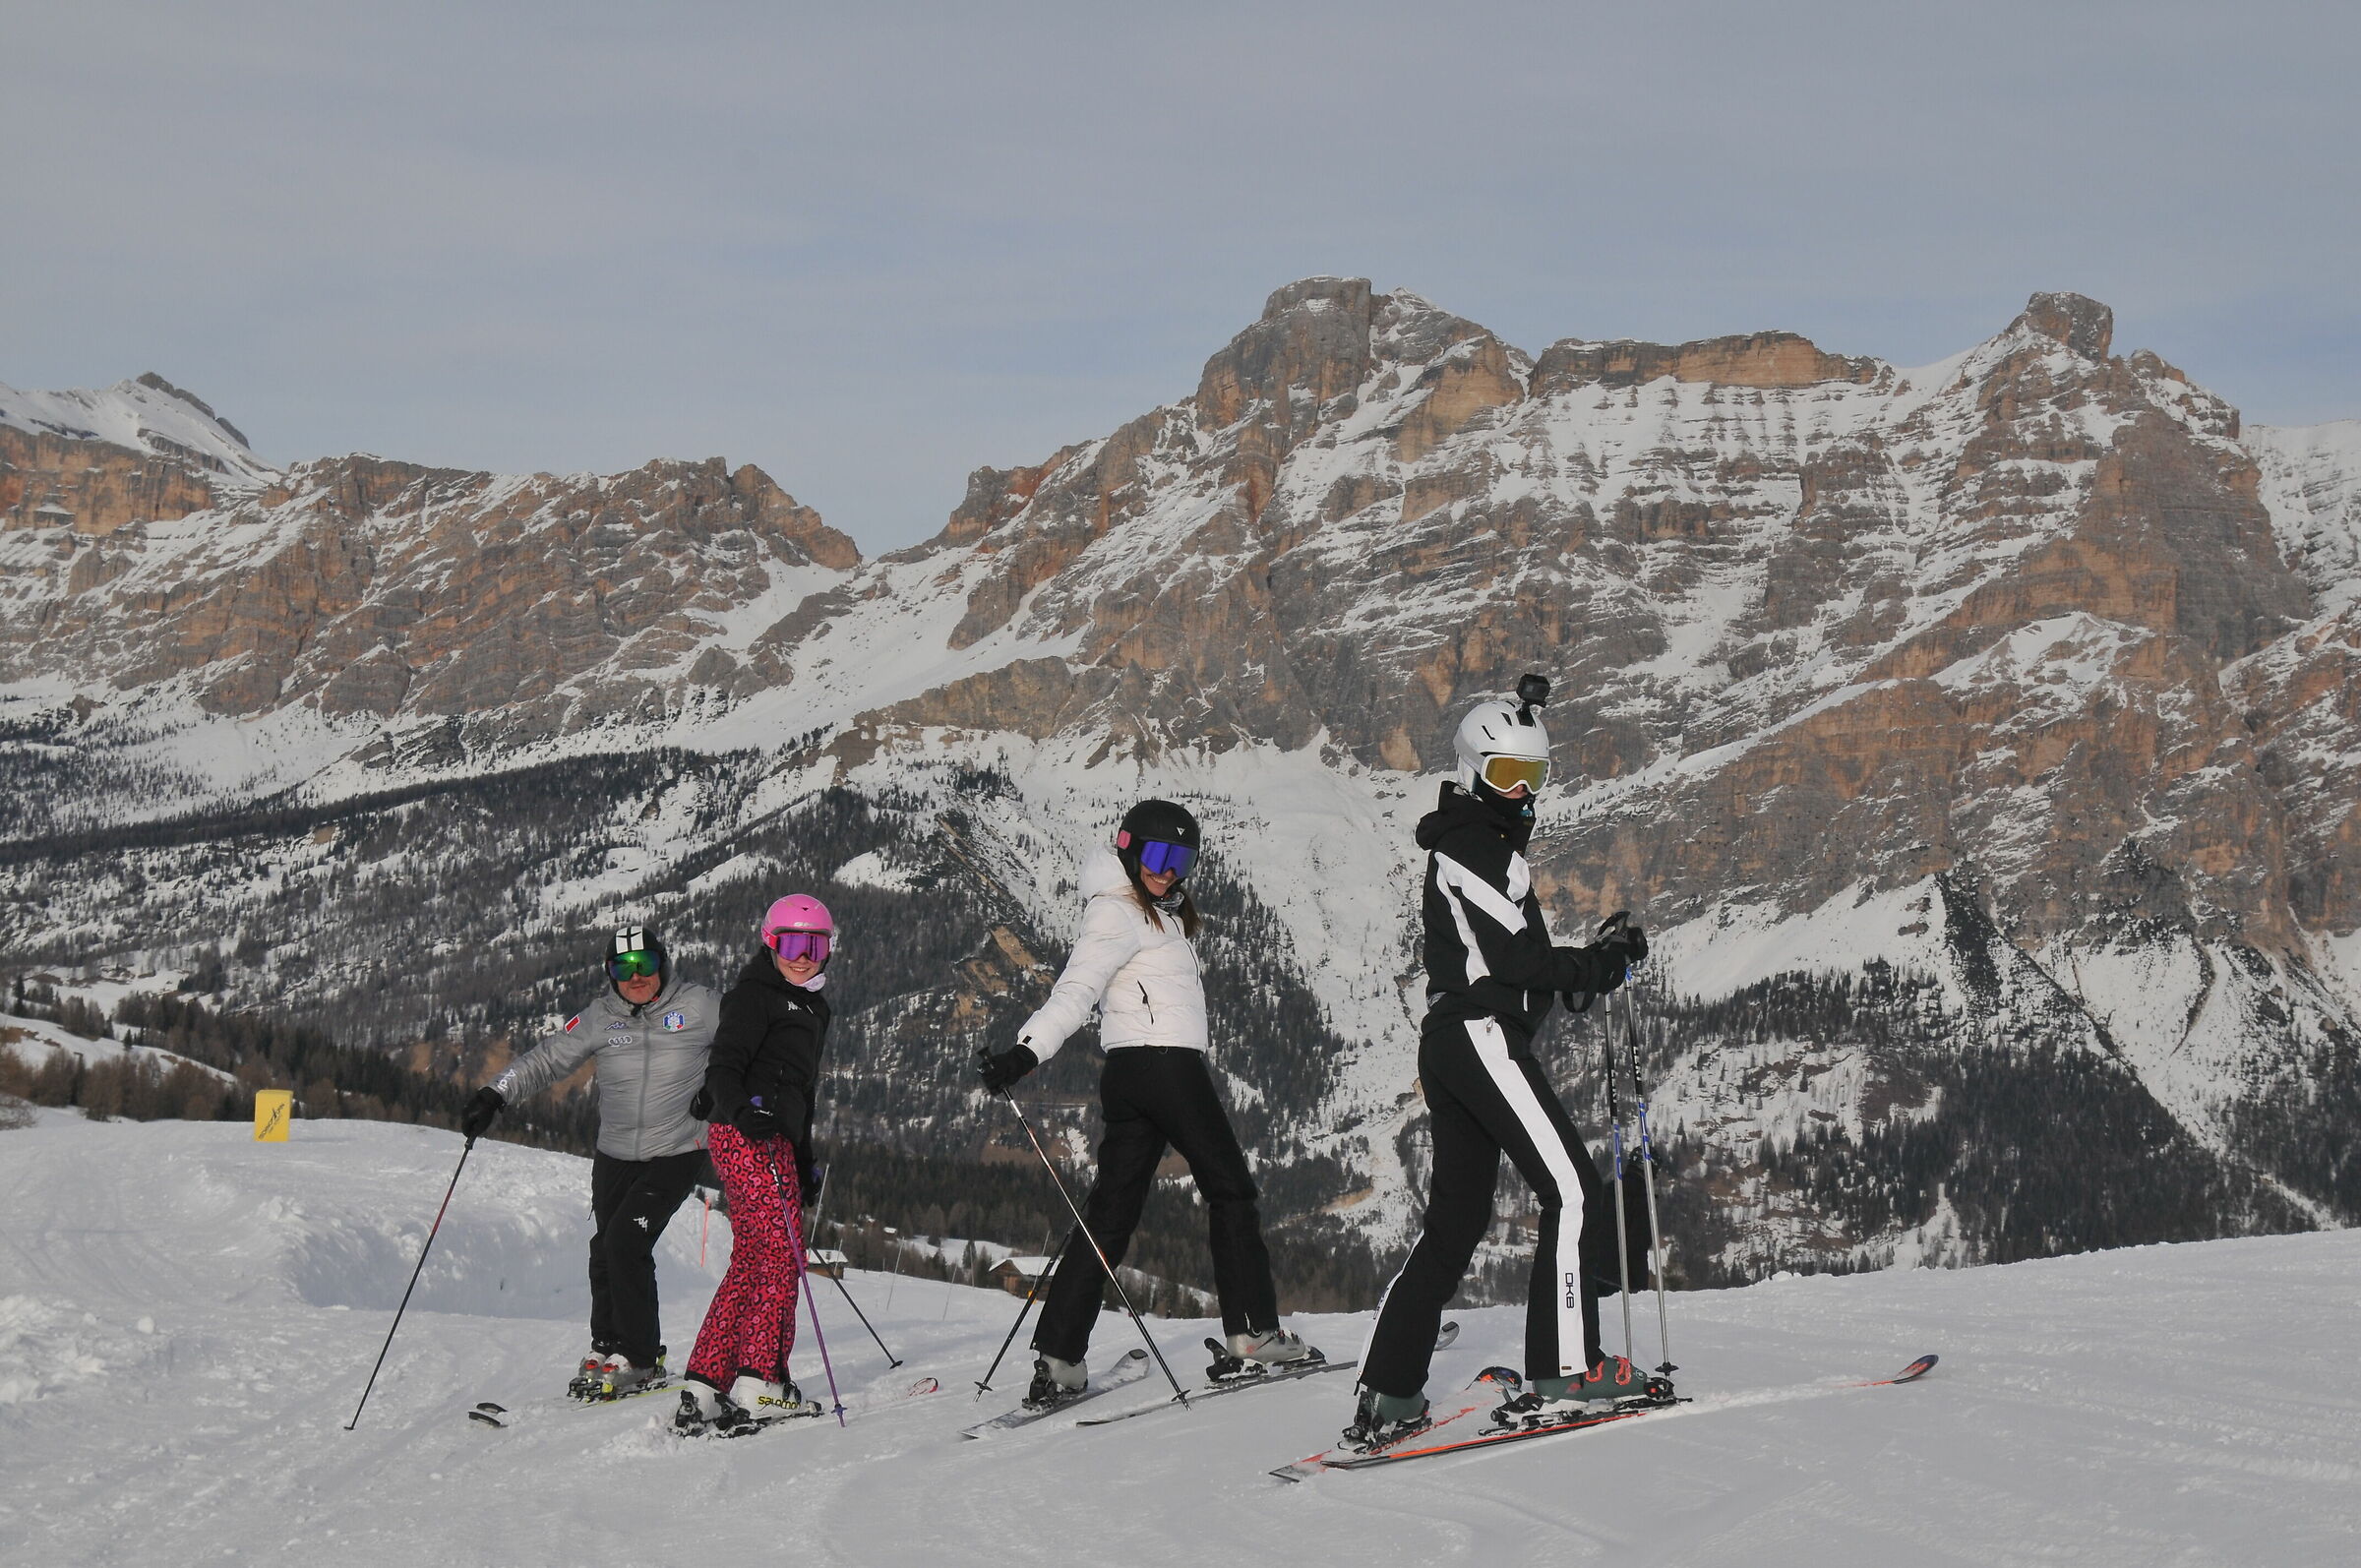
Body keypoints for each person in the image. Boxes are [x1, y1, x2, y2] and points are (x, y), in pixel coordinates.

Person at [1344, 676, 1653, 1450]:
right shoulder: (1476, 848)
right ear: (1476, 771)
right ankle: (1567, 1369)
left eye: (1534, 777)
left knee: (1455, 1223)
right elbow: (1520, 960)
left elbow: (1508, 961)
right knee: (1575, 1191)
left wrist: (1574, 977)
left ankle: (1390, 1391)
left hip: (1458, 1042)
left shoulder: (1475, 844)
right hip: (1480, 1040)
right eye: (1508, 776)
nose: (1521, 793)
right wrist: (1602, 968)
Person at [976, 799, 1321, 1409]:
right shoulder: (1118, 912)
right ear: (1128, 847)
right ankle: (1253, 1334)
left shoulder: (1156, 913)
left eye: (1180, 859)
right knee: (1231, 1190)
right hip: (1165, 1069)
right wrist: (1024, 1054)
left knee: (1109, 1215)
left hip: (1132, 1074)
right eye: (1158, 855)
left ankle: (1059, 1359)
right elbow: (1075, 990)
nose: (1168, 870)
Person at [460, 925, 719, 1399]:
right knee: (605, 1250)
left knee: (625, 1241)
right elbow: (546, 1061)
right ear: (611, 974)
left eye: (646, 965)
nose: (636, 977)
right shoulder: (601, 1017)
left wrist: (719, 1088)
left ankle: (641, 1357)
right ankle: (609, 1343)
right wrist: (495, 1094)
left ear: (663, 964)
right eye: (624, 968)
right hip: (615, 1153)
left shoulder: (700, 1005)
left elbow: (746, 1047)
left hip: (678, 1150)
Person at [672, 895, 835, 1435]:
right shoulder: (753, 995)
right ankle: (760, 1381)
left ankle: (705, 1382)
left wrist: (805, 1161)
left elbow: (805, 1095)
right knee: (780, 1258)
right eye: (792, 943)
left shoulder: (815, 1009)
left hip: (777, 1144)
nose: (803, 956)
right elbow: (722, 1069)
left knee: (752, 1257)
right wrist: (746, 1114)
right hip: (747, 1136)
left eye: (814, 945)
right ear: (770, 942)